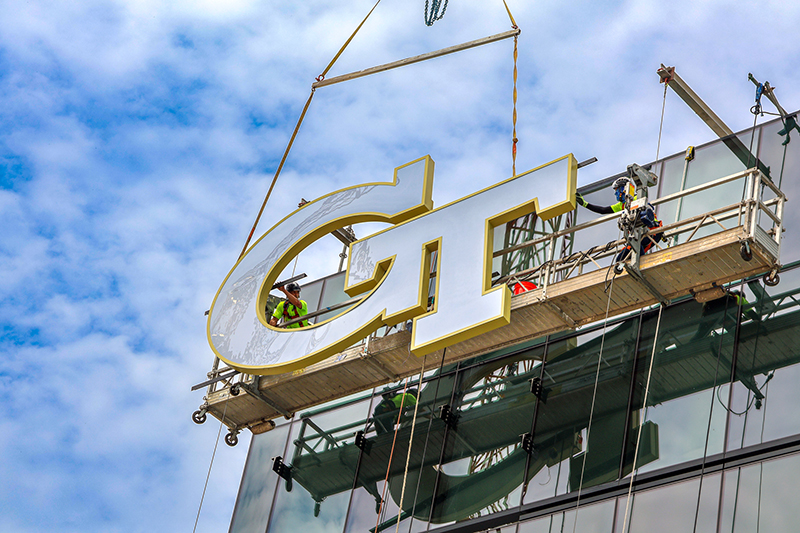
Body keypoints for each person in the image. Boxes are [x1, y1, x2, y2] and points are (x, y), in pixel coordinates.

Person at [576, 177, 664, 264]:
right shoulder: (622, 205)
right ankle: (639, 265)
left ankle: (642, 264)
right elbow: (603, 210)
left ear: (623, 189)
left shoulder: (638, 198)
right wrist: (585, 204)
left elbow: (647, 212)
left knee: (635, 247)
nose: (615, 194)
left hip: (652, 231)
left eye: (616, 190)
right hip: (639, 236)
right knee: (620, 259)